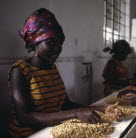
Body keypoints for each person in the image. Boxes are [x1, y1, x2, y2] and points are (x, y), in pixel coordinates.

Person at [8, 8, 120, 137]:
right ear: (35, 43)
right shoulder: (20, 71)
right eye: (51, 43)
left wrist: (103, 109)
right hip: (28, 134)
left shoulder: (52, 68)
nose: (57, 48)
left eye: (59, 44)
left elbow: (66, 105)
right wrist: (76, 114)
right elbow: (25, 117)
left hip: (50, 131)